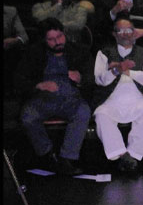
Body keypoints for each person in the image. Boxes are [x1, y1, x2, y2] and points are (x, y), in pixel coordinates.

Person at [15, 19, 93, 176]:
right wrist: (39, 85)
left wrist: (81, 78)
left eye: (60, 37)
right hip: (42, 99)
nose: (57, 42)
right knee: (28, 117)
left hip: (71, 97)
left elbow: (93, 77)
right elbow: (18, 79)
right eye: (51, 39)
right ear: (44, 40)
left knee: (83, 113)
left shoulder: (79, 50)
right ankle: (48, 155)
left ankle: (67, 159)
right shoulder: (34, 53)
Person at [93, 17, 143, 172]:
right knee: (101, 115)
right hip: (111, 100)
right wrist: (116, 71)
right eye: (120, 31)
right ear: (114, 34)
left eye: (128, 30)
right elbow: (99, 79)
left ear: (134, 32)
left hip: (138, 98)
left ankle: (133, 155)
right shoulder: (104, 53)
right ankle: (123, 155)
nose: (125, 34)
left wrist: (127, 71)